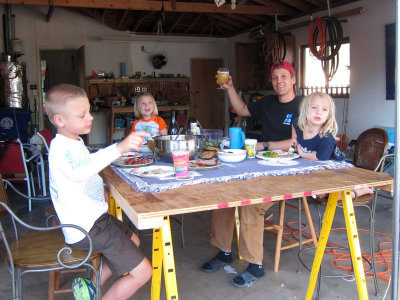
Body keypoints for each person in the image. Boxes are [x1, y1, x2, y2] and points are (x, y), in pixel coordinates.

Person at [45, 84, 152, 300]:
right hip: (86, 228)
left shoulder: (74, 143)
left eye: (89, 112)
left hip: (95, 220)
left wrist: (101, 187)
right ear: (60, 120)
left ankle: (92, 286)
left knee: (134, 241)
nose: (90, 117)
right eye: (82, 115)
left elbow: (83, 172)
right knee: (144, 273)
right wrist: (118, 148)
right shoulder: (60, 148)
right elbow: (80, 170)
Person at [201, 60, 301, 288]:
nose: (279, 81)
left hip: (288, 173)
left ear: (293, 79)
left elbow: (296, 142)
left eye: (284, 76)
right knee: (224, 195)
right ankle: (224, 251)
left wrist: (263, 146)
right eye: (275, 78)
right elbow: (241, 110)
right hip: (261, 166)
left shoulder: (302, 106)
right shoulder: (267, 103)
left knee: (250, 204)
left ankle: (255, 265)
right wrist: (229, 89)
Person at [292, 91, 373, 198]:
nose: (318, 112)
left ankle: (359, 191)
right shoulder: (298, 124)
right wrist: (294, 138)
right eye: (314, 108)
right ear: (305, 110)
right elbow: (294, 123)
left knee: (321, 194)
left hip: (335, 168)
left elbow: (320, 157)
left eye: (324, 109)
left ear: (328, 116)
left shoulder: (327, 138)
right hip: (315, 167)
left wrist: (302, 154)